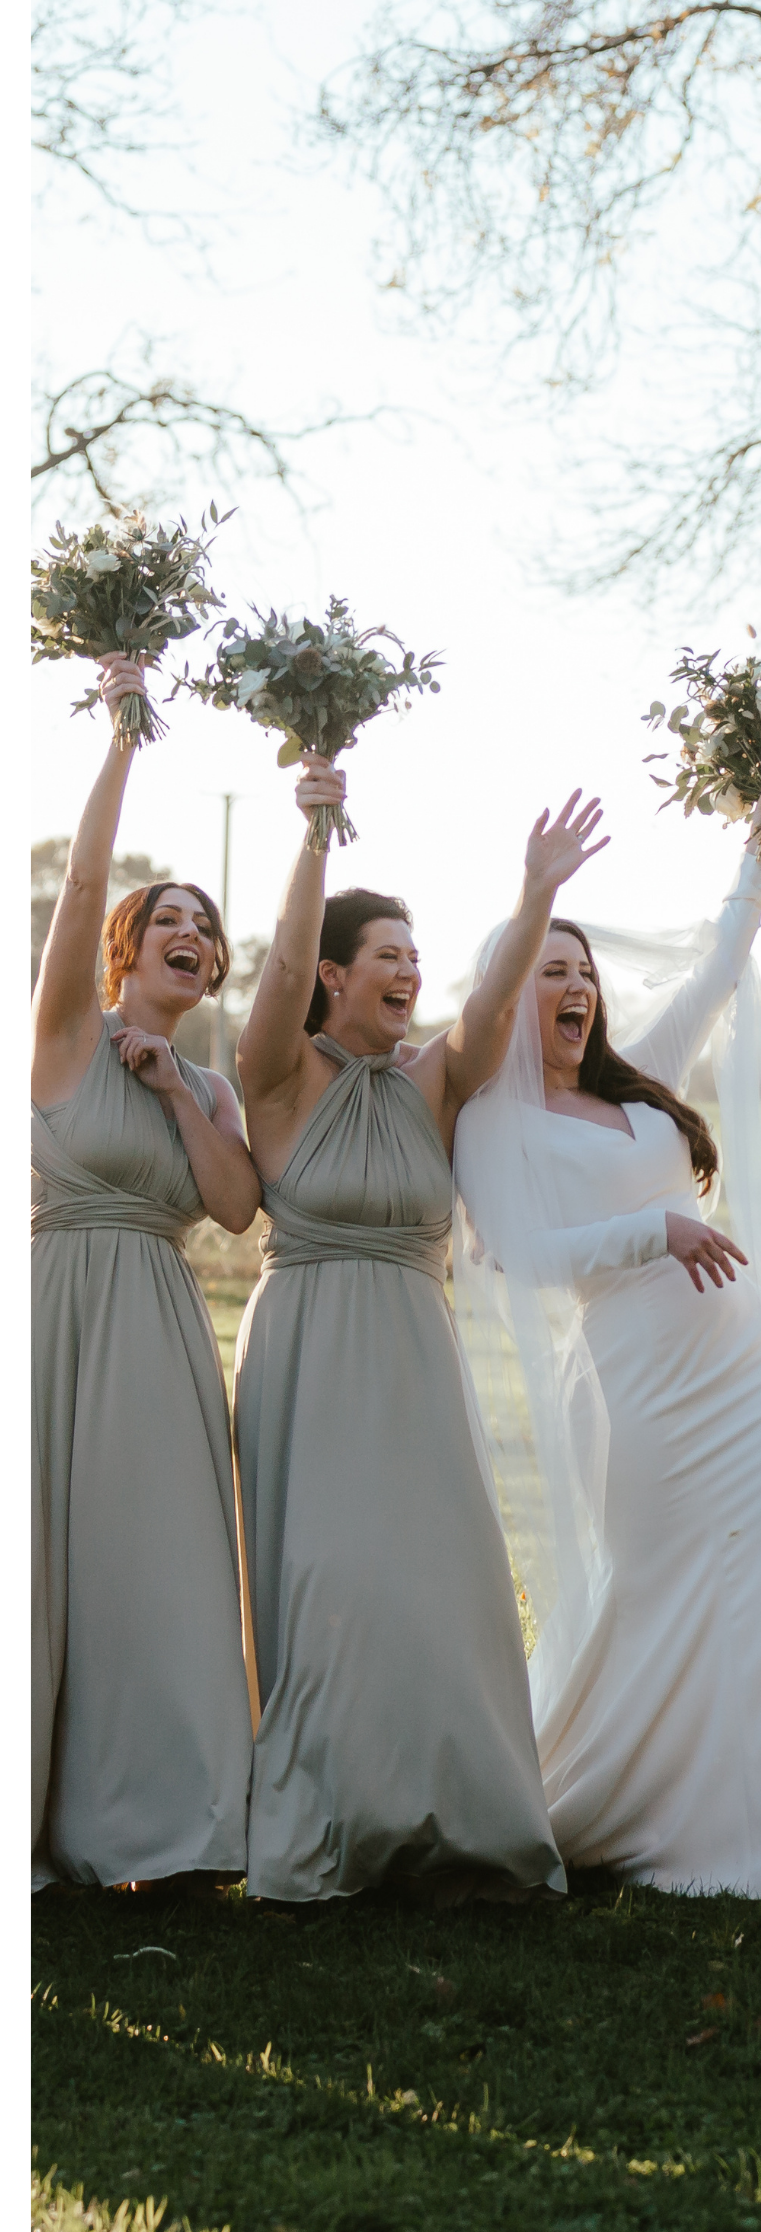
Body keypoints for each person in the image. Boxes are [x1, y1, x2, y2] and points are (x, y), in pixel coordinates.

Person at [452, 792, 761, 1897]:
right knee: (668, 1591)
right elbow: (522, 1254)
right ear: (506, 993)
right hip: (636, 1383)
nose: (575, 987)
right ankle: (610, 1797)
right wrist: (656, 1227)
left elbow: (720, 965)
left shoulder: (638, 1083)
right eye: (548, 970)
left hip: (742, 1359)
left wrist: (758, 845)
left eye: (582, 970)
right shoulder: (493, 1123)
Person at [231, 752, 604, 1903]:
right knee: (329, 1582)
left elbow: (495, 1006)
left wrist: (537, 891)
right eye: (387, 955)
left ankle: (465, 1822)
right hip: (307, 1347)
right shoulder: (278, 1077)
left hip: (414, 1350)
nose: (410, 971)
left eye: (415, 956)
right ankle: (331, 1822)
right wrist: (314, 833)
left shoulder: (431, 1083)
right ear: (336, 977)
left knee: (444, 1586)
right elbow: (283, 959)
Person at [32, 654, 259, 1891]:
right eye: (167, 919)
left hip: (159, 1328)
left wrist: (176, 1091)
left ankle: (161, 1826)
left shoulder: (210, 1084)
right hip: (52, 1314)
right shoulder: (63, 1032)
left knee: (159, 1567)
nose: (192, 934)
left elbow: (232, 1210)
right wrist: (124, 734)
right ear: (125, 949)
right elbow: (74, 882)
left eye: (206, 929)